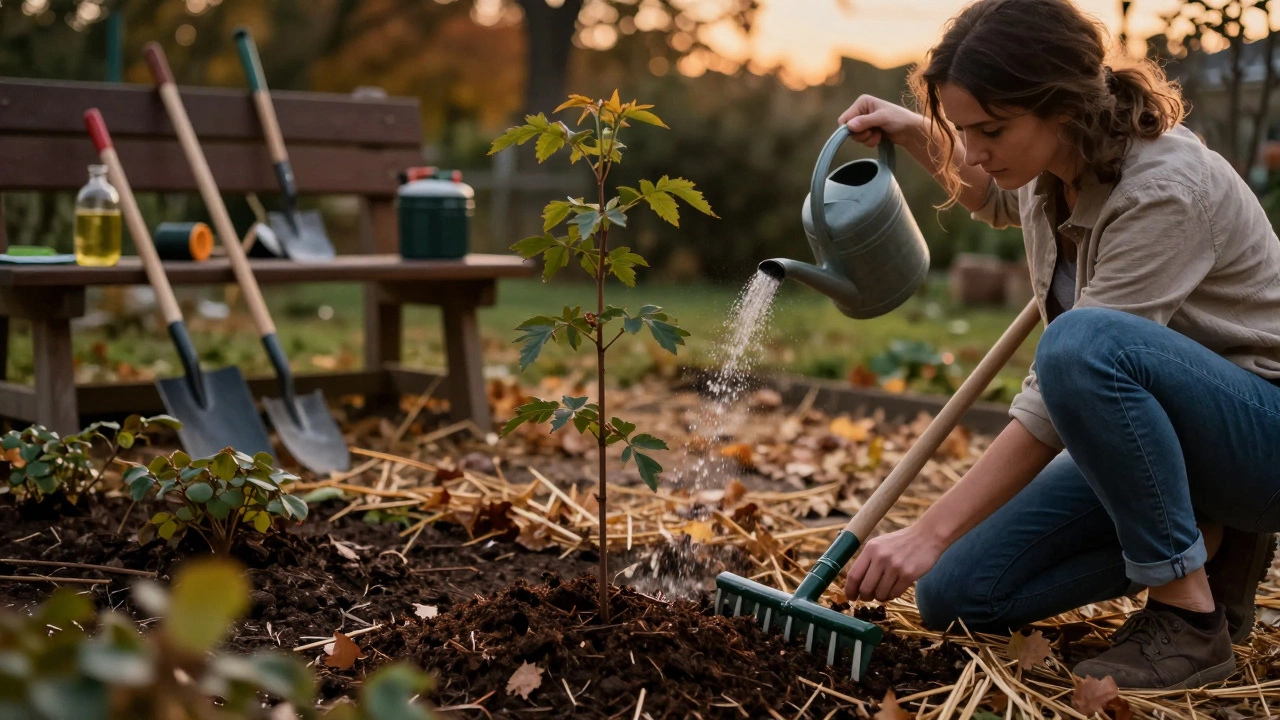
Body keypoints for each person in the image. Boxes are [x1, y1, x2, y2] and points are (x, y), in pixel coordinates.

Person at [837, 0, 1280, 690]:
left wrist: (926, 531)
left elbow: (1063, 387)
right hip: (1169, 448)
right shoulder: (1052, 175)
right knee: (955, 596)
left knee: (1080, 344)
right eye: (965, 129)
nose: (976, 148)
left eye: (992, 129)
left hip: (1260, 440)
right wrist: (915, 130)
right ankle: (1211, 535)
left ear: (1063, 106)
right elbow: (987, 194)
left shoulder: (1163, 188)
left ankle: (1189, 618)